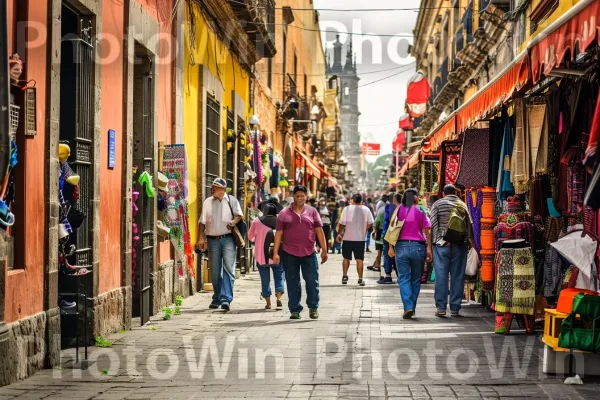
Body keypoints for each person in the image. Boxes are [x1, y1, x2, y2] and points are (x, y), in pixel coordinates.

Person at [273, 185, 328, 320]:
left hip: (309, 252)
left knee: (312, 281)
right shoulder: (284, 213)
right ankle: (295, 309)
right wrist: (275, 253)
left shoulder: (312, 212)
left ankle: (313, 307)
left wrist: (324, 250)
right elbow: (279, 233)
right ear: (294, 197)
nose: (300, 198)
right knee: (292, 282)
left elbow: (319, 231)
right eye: (297, 196)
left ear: (306, 197)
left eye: (302, 196)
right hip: (289, 252)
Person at [197, 177, 243, 311]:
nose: (212, 189)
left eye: (215, 187)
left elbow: (239, 215)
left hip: (228, 238)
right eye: (212, 187)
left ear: (222, 189)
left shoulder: (232, 200)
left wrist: (233, 222)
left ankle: (226, 299)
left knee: (229, 268)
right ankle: (217, 296)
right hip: (212, 240)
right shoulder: (207, 202)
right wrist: (201, 237)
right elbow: (202, 222)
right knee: (215, 271)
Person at [430, 184, 475, 317]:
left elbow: (433, 224)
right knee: (457, 276)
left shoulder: (437, 204)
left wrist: (437, 241)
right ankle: (455, 308)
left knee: (441, 276)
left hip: (441, 244)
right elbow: (469, 226)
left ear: (443, 193)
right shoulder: (462, 204)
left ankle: (441, 308)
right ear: (456, 192)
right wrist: (470, 243)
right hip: (459, 245)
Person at [388, 188, 433, 319]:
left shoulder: (398, 210)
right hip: (418, 247)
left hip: (401, 246)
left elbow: (391, 229)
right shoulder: (421, 211)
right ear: (415, 198)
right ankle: (411, 306)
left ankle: (408, 306)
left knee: (403, 278)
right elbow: (427, 231)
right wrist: (429, 248)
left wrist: (390, 247)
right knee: (416, 279)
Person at [248, 203, 284, 310]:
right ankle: (278, 299)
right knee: (279, 277)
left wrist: (257, 241)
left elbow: (250, 237)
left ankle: (268, 304)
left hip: (261, 256)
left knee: (265, 280)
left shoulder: (257, 221)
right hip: (278, 255)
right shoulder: (281, 222)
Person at [336, 194, 374, 286]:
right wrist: (364, 229)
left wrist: (339, 233)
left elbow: (342, 223)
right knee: (359, 259)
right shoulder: (366, 209)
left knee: (346, 258)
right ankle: (360, 279)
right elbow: (370, 223)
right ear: (361, 200)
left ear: (352, 200)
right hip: (360, 239)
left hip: (347, 238)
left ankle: (345, 276)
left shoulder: (347, 209)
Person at [377, 193, 401, 284]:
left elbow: (389, 220)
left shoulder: (390, 207)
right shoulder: (405, 208)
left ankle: (388, 276)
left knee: (387, 254)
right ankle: (399, 275)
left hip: (389, 234)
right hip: (399, 236)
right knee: (396, 255)